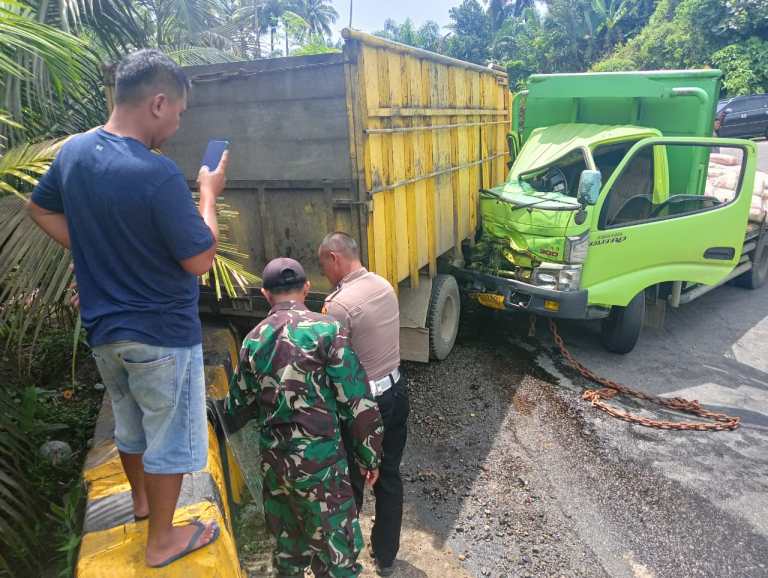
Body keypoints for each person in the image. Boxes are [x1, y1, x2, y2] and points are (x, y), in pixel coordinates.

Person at [27, 49, 228, 568]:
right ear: (157, 103)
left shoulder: (73, 153)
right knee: (169, 436)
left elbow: (39, 207)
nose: (178, 123)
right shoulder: (155, 173)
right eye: (179, 112)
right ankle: (162, 540)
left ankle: (141, 504)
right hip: (160, 331)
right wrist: (208, 194)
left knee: (131, 426)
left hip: (105, 332)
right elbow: (201, 258)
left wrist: (90, 246)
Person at [227, 257, 383, 578]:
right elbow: (355, 401)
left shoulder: (253, 339)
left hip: (276, 468)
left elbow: (237, 405)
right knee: (338, 558)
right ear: (307, 288)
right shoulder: (327, 330)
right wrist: (370, 456)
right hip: (321, 468)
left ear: (265, 294)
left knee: (289, 554)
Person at [318, 232, 409, 577]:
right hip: (397, 392)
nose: (324, 273)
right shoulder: (384, 286)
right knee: (388, 475)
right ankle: (386, 558)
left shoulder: (339, 305)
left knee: (349, 482)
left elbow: (330, 361)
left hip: (362, 407)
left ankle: (345, 558)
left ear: (334, 258)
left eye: (324, 265)